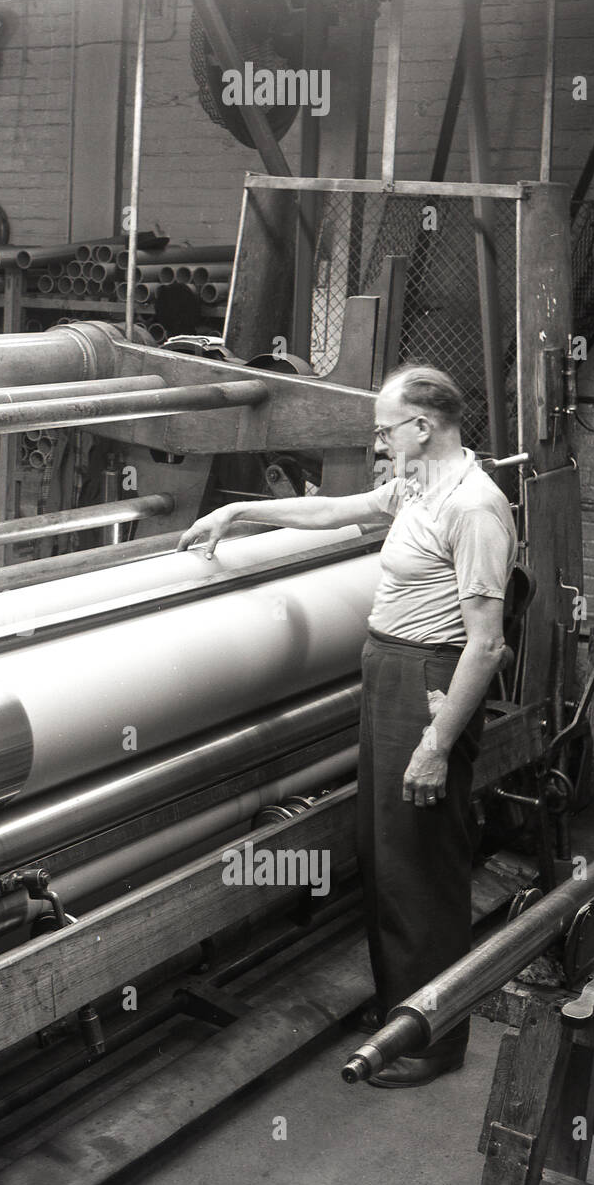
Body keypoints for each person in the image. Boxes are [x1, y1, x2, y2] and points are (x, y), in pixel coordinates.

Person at [177, 365, 516, 1088]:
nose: (381, 445)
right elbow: (340, 511)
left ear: (423, 426)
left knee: (420, 861)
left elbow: (486, 645)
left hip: (428, 684)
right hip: (391, 671)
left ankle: (435, 1036)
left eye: (386, 431)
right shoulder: (420, 488)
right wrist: (241, 515)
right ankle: (404, 1014)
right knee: (386, 852)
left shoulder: (476, 507)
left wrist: (435, 745)